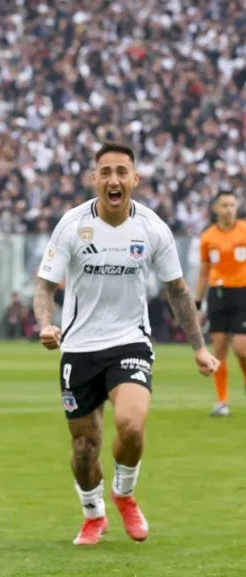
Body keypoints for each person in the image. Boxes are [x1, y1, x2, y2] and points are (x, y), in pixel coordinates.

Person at [33, 142, 220, 547]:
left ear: (135, 178)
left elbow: (177, 290)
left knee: (132, 426)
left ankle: (124, 492)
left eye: (121, 171)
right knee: (85, 447)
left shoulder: (152, 228)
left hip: (130, 342)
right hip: (79, 348)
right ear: (94, 179)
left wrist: (199, 347)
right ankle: (93, 514)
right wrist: (45, 325)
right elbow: (45, 285)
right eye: (105, 172)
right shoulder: (72, 224)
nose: (113, 179)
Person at [195, 190, 246, 417]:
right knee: (219, 349)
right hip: (217, 294)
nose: (228, 209)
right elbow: (204, 272)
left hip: (243, 292)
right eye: (224, 205)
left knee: (242, 347)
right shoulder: (208, 237)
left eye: (232, 205)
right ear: (216, 208)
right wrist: (197, 302)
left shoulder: (244, 230)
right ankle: (222, 402)